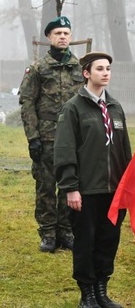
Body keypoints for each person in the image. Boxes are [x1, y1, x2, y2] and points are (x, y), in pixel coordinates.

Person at [54, 51, 131, 308]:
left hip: (113, 190)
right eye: (100, 69)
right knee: (86, 241)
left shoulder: (115, 107)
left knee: (108, 240)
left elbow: (124, 150)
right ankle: (86, 292)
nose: (106, 73)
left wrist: (128, 185)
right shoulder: (73, 108)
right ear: (86, 73)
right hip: (86, 190)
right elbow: (65, 150)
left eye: (108, 68)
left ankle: (102, 289)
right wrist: (71, 187)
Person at [19, 16, 84, 253]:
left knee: (70, 184)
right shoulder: (38, 68)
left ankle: (66, 230)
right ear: (49, 37)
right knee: (46, 186)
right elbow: (27, 103)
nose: (63, 37)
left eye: (66, 33)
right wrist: (33, 138)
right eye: (58, 33)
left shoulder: (79, 67)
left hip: (73, 139)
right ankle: (48, 233)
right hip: (46, 138)